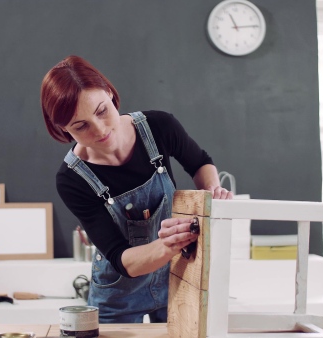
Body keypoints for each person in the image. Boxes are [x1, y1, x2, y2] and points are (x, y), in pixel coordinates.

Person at [40, 55, 232, 324]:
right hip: (118, 293)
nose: (100, 130)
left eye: (102, 111)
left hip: (175, 280)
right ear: (62, 129)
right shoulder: (72, 180)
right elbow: (121, 258)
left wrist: (213, 192)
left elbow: (200, 163)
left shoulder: (159, 127)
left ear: (109, 92)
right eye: (80, 126)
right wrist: (168, 245)